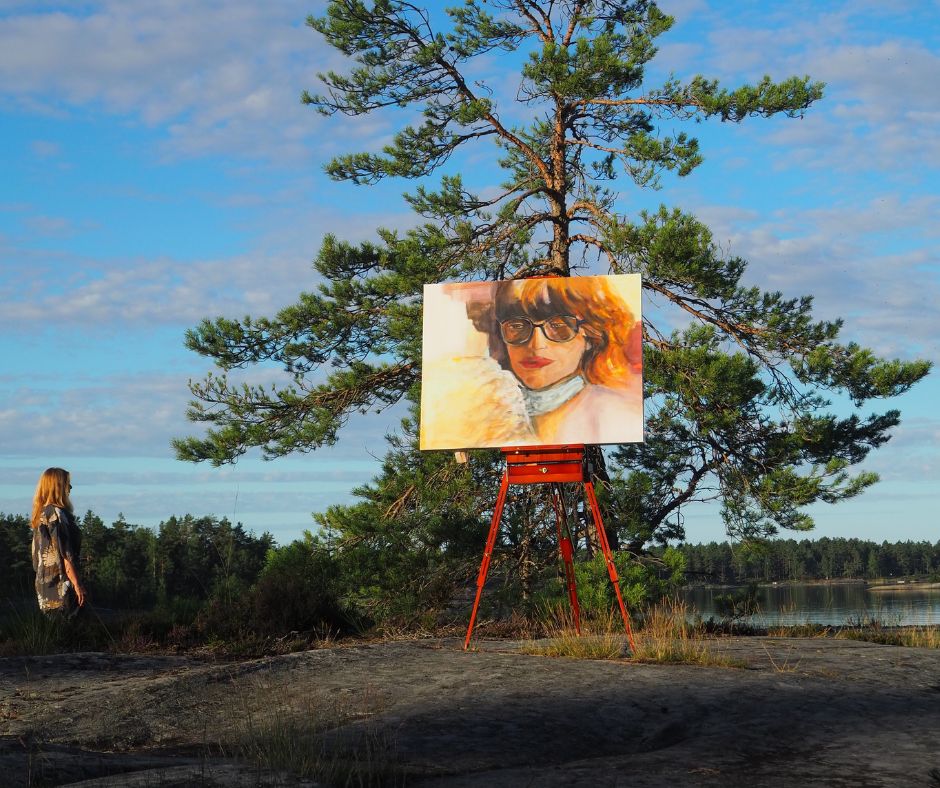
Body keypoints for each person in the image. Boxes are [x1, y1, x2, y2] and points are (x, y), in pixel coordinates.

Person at [487, 276, 643, 445]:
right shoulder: (493, 414)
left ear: (591, 335)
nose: (536, 345)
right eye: (517, 326)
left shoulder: (618, 416)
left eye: (558, 325)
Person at [31, 467, 86, 617]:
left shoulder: (41, 515)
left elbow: (36, 558)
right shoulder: (56, 514)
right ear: (58, 486)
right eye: (67, 483)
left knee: (55, 633)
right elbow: (66, 554)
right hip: (62, 585)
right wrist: (77, 584)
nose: (70, 487)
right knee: (71, 632)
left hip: (44, 585)